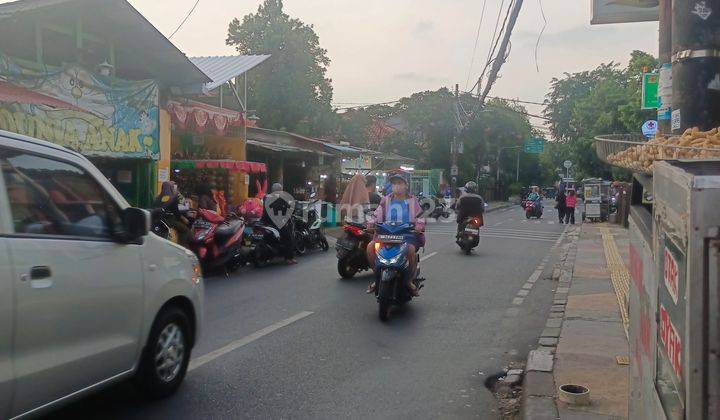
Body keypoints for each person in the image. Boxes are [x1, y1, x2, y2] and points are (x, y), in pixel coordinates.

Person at [366, 173, 425, 296]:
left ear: (405, 185)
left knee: (410, 250)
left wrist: (419, 226)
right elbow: (377, 214)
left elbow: (419, 217)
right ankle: (377, 278)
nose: (396, 186)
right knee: (371, 247)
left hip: (406, 235)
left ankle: (409, 281)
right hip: (386, 235)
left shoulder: (412, 201)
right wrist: (371, 223)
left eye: (399, 183)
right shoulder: (386, 200)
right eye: (394, 184)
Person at [262, 182, 298, 264]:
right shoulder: (281, 198)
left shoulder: (266, 197)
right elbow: (288, 208)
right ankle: (289, 258)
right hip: (277, 222)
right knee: (289, 238)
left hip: (265, 221)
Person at [153, 181, 190, 246]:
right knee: (185, 230)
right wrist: (184, 219)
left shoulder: (158, 198)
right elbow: (177, 212)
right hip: (170, 220)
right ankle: (183, 247)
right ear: (171, 188)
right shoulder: (173, 198)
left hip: (159, 220)